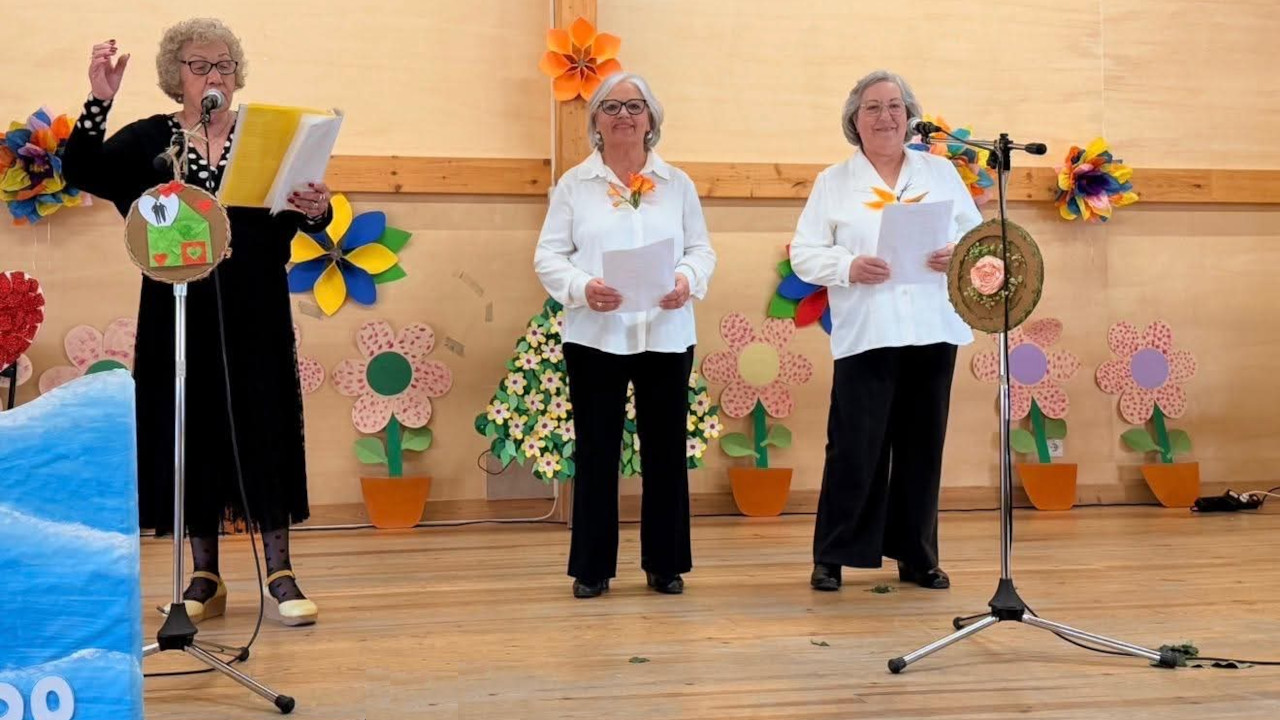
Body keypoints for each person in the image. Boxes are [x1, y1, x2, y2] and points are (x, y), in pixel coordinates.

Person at [62, 18, 327, 625]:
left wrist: (316, 208)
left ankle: (280, 571)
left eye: (225, 65)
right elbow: (82, 170)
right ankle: (205, 575)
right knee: (191, 426)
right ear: (174, 77)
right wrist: (99, 99)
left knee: (263, 422)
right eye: (200, 66)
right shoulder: (153, 140)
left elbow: (297, 213)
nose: (215, 76)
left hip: (253, 303)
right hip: (177, 306)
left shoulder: (268, 135)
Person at [790, 70, 982, 592]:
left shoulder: (940, 174)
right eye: (872, 107)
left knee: (923, 444)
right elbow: (806, 253)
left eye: (895, 106)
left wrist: (956, 253)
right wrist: (848, 266)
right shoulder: (834, 181)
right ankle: (834, 554)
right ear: (855, 119)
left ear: (910, 116)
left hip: (931, 325)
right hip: (868, 329)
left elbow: (974, 235)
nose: (885, 116)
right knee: (854, 445)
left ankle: (917, 556)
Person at [534, 72, 717, 599]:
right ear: (595, 121)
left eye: (634, 106)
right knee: (597, 450)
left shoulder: (677, 183)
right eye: (611, 107)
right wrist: (580, 286)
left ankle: (666, 564)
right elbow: (548, 256)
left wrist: (687, 280)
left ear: (651, 119)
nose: (623, 116)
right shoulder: (574, 185)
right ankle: (592, 568)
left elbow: (701, 250)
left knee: (665, 450)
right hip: (596, 334)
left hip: (665, 332)